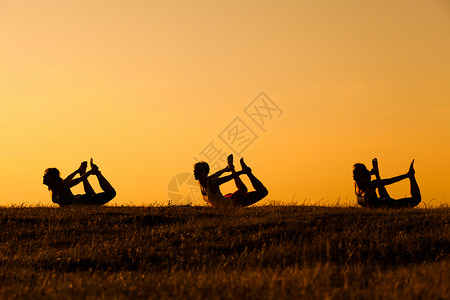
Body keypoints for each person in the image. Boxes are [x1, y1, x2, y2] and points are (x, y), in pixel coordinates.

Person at [193, 154, 268, 208]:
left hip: (235, 203)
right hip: (227, 199)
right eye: (195, 171)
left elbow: (229, 177)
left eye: (198, 171)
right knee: (243, 189)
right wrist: (226, 169)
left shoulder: (212, 184)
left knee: (263, 192)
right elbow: (216, 174)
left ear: (205, 173)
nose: (195, 173)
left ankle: (248, 173)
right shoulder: (202, 182)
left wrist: (242, 172)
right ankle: (233, 168)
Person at [43, 158, 116, 206]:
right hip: (82, 200)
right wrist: (77, 171)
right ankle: (87, 171)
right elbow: (67, 179)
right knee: (92, 195)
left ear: (52, 178)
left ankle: (97, 173)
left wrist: (91, 171)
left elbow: (79, 180)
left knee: (112, 193)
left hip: (84, 201)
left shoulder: (61, 186)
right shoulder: (52, 187)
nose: (43, 177)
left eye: (46, 176)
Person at [353, 158, 421, 208]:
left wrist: (407, 175)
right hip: (382, 202)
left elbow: (390, 181)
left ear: (363, 173)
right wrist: (373, 173)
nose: (353, 172)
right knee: (383, 194)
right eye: (353, 171)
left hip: (389, 204)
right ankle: (410, 175)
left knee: (416, 199)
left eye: (356, 171)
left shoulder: (370, 185)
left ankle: (411, 177)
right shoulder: (355, 185)